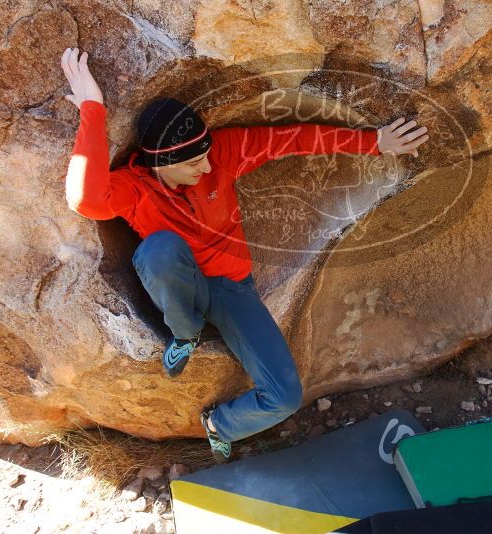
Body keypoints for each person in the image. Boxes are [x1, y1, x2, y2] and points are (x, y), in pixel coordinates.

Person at [60, 47, 429, 462]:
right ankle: (185, 334)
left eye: (206, 156)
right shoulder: (133, 187)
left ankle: (220, 424)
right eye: (194, 162)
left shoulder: (224, 152)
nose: (205, 167)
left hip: (234, 288)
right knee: (159, 249)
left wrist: (375, 143)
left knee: (285, 395)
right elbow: (85, 198)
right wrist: (92, 109)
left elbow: (294, 139)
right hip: (182, 287)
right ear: (162, 162)